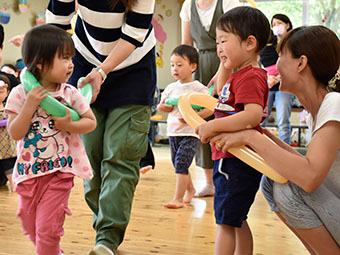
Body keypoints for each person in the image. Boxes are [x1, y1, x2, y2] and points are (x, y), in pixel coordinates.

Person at [210, 25, 340, 254]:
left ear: (301, 63)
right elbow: (301, 163)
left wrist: (249, 135)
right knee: (273, 180)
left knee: (288, 187)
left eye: (281, 55)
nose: (275, 64)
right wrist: (259, 136)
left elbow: (309, 177)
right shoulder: (315, 111)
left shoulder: (334, 104)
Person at [46, 1, 156, 254]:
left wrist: (103, 71)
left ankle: (106, 239)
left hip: (133, 68)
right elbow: (57, 26)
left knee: (120, 154)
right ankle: (104, 229)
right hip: (84, 63)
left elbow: (134, 34)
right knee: (90, 158)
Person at [5, 24, 96, 255]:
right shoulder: (19, 93)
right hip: (28, 173)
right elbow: (15, 133)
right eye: (64, 58)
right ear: (40, 63)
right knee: (30, 226)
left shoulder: (70, 93)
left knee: (47, 229)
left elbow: (90, 122)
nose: (71, 64)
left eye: (71, 58)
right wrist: (30, 105)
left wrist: (69, 124)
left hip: (59, 172)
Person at [195, 6, 270, 254]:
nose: (218, 47)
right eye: (217, 42)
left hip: (236, 161)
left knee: (226, 222)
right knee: (236, 219)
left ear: (249, 43)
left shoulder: (250, 77)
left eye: (224, 41)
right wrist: (225, 59)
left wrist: (213, 125)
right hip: (229, 159)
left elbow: (252, 115)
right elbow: (219, 87)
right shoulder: (239, 75)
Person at [180, 0, 240, 197]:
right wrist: (185, 77)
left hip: (228, 61)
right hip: (199, 66)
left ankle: (229, 175)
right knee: (203, 120)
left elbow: (235, 38)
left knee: (225, 116)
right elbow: (186, 45)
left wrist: (224, 68)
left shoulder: (228, 2)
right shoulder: (188, 5)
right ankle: (209, 181)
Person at [158, 44, 211, 209]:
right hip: (173, 132)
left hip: (190, 133)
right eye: (172, 65)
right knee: (177, 163)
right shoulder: (171, 88)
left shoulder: (198, 89)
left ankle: (177, 199)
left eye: (180, 65)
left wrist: (192, 118)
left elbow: (210, 108)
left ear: (193, 66)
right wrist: (166, 106)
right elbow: (162, 106)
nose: (175, 68)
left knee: (181, 163)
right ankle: (191, 189)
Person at [260, 14, 294, 144]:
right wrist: (268, 77)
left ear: (287, 25)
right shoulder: (268, 43)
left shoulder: (293, 43)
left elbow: (292, 67)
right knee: (261, 120)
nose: (276, 27)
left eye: (279, 23)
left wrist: (278, 78)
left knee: (283, 121)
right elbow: (262, 63)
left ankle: (286, 153)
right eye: (273, 24)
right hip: (268, 85)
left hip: (285, 87)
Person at [0, 74, 16, 192]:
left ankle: (13, 184)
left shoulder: (9, 107)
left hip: (9, 144)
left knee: (10, 164)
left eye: (2, 91)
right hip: (1, 145)